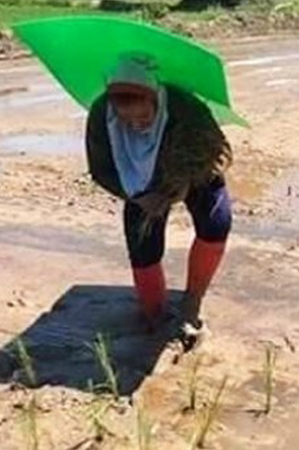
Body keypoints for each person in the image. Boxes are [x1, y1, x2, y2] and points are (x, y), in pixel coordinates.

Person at [84, 56, 232, 349]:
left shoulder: (186, 107)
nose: (136, 124)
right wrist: (138, 197)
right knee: (142, 247)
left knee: (217, 221)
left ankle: (192, 301)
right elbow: (101, 170)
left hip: (190, 171)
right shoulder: (102, 116)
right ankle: (155, 314)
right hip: (138, 183)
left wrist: (179, 188)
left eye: (144, 117)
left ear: (156, 99)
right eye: (127, 121)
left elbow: (215, 153)